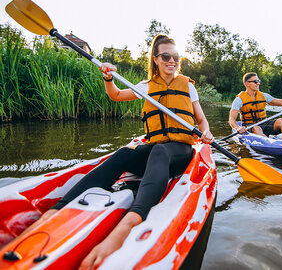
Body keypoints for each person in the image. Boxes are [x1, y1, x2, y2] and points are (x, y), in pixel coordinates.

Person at [21, 35, 214, 269]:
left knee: (161, 151)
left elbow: (201, 120)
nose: (171, 61)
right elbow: (115, 95)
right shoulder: (144, 87)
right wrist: (107, 77)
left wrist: (207, 134)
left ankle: (128, 224)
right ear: (155, 59)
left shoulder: (188, 86)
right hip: (156, 149)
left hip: (180, 151)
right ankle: (56, 210)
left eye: (175, 57)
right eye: (166, 56)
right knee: (125, 153)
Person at [229, 72, 282, 140]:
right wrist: (237, 128)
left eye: (258, 81)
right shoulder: (239, 100)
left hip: (264, 123)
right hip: (250, 125)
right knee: (256, 128)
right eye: (255, 82)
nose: (258, 83)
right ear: (247, 83)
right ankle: (274, 143)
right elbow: (231, 119)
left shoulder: (264, 96)